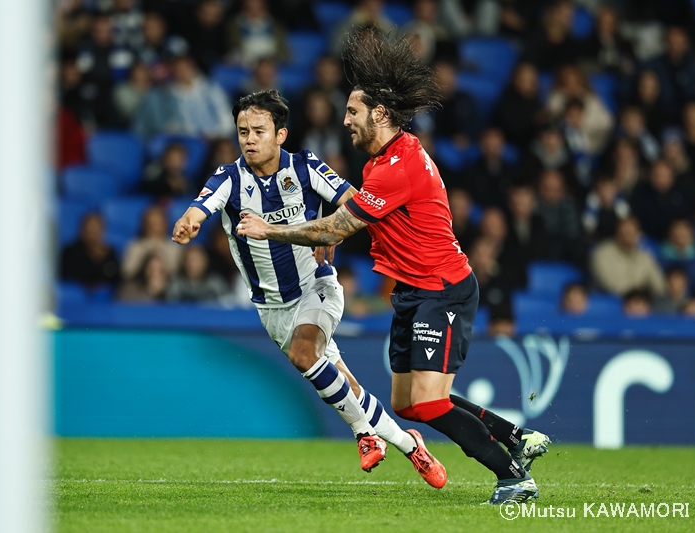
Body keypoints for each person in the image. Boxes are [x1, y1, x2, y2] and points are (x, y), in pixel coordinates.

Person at [237, 30, 549, 505]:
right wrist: (327, 234)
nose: (345, 120)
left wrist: (270, 230)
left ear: (380, 114)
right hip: (413, 290)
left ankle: (512, 477)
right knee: (408, 403)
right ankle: (516, 437)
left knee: (427, 400)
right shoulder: (386, 158)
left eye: (353, 112)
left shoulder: (395, 168)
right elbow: (343, 225)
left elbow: (336, 228)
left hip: (442, 289)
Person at [171, 89, 446, 487]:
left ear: (280, 134)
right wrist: (189, 222)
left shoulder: (305, 167)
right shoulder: (229, 178)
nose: (249, 139)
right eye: (243, 132)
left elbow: (356, 201)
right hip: (272, 309)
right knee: (347, 387)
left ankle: (363, 434)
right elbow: (200, 207)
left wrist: (334, 228)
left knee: (304, 354)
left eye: (259, 131)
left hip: (316, 286)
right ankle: (410, 445)